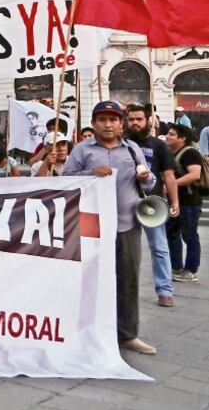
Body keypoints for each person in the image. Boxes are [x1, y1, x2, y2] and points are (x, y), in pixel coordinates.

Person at [63, 101, 156, 355]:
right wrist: (90, 173)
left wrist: (146, 178)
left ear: (121, 124)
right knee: (89, 279)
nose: (108, 124)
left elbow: (149, 185)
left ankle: (127, 334)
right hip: (91, 228)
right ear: (94, 124)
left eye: (113, 120)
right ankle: (87, 330)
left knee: (128, 279)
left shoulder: (132, 150)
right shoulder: (83, 150)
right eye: (102, 119)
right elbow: (64, 179)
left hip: (127, 224)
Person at [125, 104, 180, 308]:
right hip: (126, 204)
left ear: (148, 120)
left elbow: (168, 175)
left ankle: (164, 291)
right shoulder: (121, 143)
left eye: (139, 119)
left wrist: (174, 202)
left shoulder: (158, 145)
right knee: (125, 250)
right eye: (131, 119)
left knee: (159, 248)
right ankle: (123, 291)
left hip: (152, 203)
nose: (135, 123)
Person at [165, 124, 202, 284]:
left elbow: (195, 174)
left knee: (189, 235)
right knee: (172, 233)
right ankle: (176, 267)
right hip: (174, 201)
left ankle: (191, 270)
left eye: (172, 134)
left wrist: (171, 185)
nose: (167, 136)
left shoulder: (190, 153)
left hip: (190, 202)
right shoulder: (170, 153)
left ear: (182, 138)